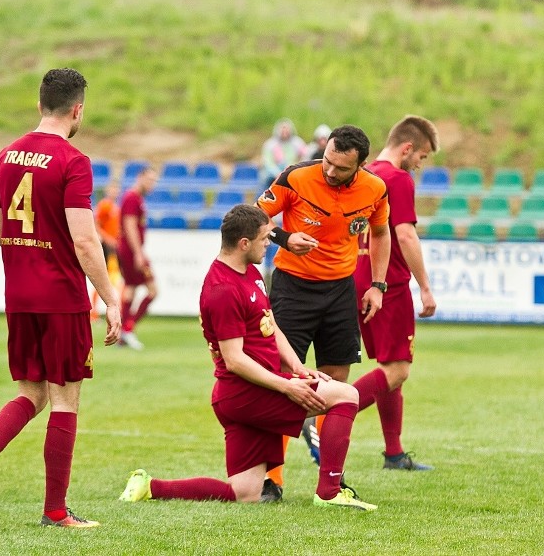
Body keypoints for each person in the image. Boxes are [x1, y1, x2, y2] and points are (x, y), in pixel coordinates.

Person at [118, 204, 376, 511]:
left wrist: (297, 368)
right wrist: (288, 386)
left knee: (245, 493)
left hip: (244, 395)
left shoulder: (249, 271)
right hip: (247, 394)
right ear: (244, 243)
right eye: (265, 238)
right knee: (346, 395)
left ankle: (149, 487)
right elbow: (235, 360)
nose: (270, 243)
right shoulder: (222, 289)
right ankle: (330, 491)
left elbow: (271, 324)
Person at [0, 68, 122, 529]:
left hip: (19, 293)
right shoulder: (73, 160)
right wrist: (110, 299)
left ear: (38, 105)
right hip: (61, 296)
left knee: (31, 392)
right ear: (78, 109)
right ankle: (55, 511)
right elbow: (86, 242)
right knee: (66, 398)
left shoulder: (4, 157)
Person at [254, 124, 390, 500]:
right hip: (292, 288)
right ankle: (272, 480)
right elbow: (252, 217)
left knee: (337, 384)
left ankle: (330, 481)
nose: (330, 171)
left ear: (360, 165)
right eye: (327, 161)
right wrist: (284, 237)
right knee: (284, 382)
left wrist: (377, 285)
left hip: (340, 291)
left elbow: (380, 233)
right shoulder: (296, 177)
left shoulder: (375, 189)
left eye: (341, 168)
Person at [349, 115, 439, 471]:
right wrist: (426, 288)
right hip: (388, 283)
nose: (420, 164)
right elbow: (404, 235)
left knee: (388, 366)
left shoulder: (364, 173)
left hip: (355, 277)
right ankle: (326, 416)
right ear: (407, 148)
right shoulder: (397, 179)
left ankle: (394, 453)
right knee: (399, 369)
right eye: (422, 156)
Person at [116, 166, 159, 350]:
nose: (152, 185)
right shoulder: (132, 198)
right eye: (149, 180)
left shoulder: (135, 198)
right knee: (152, 290)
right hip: (131, 251)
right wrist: (138, 253)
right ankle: (127, 328)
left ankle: (123, 333)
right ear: (140, 178)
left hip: (130, 250)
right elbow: (130, 226)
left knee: (131, 289)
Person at [91, 183, 123, 320]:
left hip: (114, 246)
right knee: (104, 279)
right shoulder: (105, 206)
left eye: (116, 189)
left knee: (114, 279)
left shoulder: (116, 207)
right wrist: (108, 238)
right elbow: (96, 225)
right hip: (106, 246)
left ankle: (114, 309)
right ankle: (93, 313)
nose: (115, 192)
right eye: (112, 189)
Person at [260, 118, 307, 189]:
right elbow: (268, 163)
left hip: (292, 170)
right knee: (265, 178)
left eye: (287, 129)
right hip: (274, 173)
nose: (284, 131)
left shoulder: (297, 142)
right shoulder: (270, 144)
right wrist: (278, 173)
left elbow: (306, 155)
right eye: (282, 129)